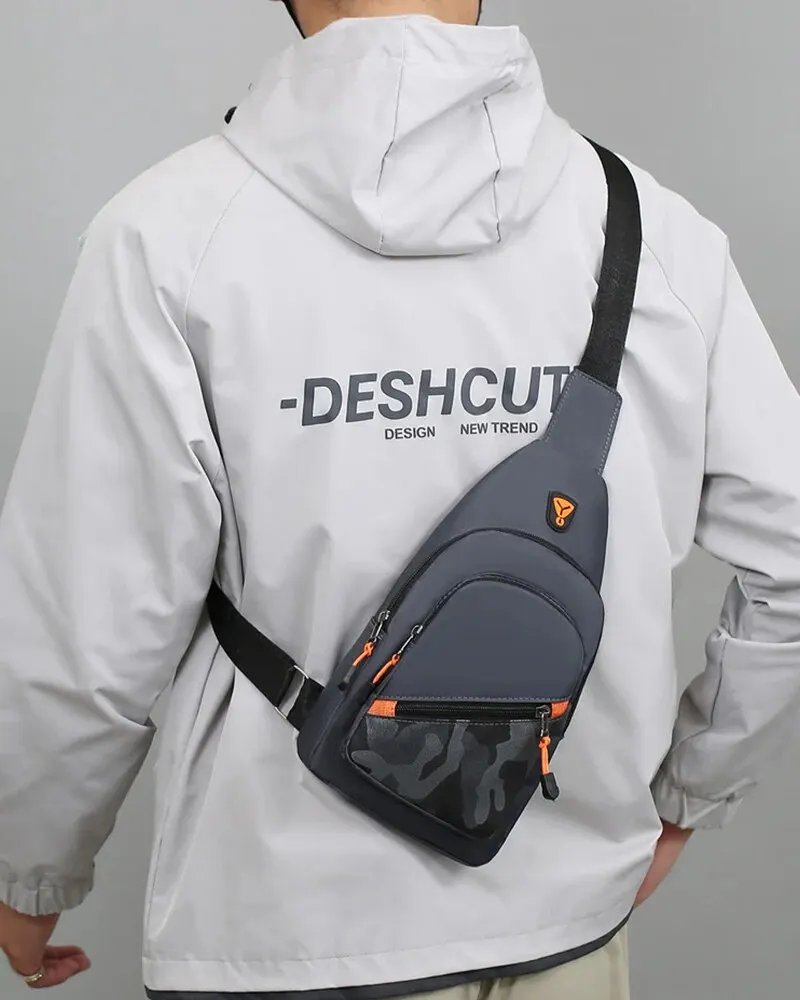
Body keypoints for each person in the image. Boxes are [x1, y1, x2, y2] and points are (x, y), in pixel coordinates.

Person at [1, 0, 798, 996]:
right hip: (560, 924)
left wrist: (29, 877)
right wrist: (685, 798)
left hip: (280, 934)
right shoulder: (657, 236)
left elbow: (84, 633)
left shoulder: (168, 239)